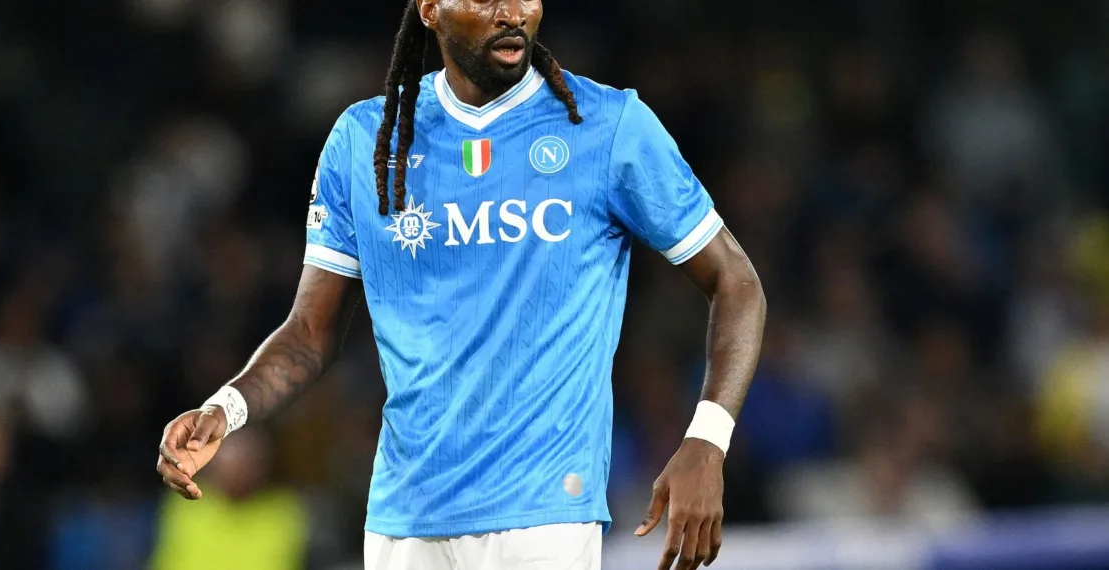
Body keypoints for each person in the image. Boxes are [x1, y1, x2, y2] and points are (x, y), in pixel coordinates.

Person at [156, 1, 767, 568]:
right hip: (404, 522)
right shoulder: (365, 141)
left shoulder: (607, 126)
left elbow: (736, 282)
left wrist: (707, 441)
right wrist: (224, 409)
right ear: (430, 10)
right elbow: (310, 334)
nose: (512, 13)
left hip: (544, 517)